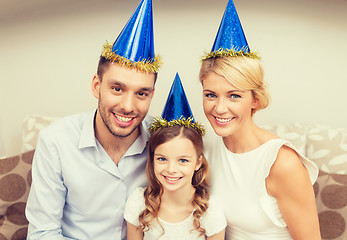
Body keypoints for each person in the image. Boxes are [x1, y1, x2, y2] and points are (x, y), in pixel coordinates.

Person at [25, 0, 161, 239]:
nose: (128, 106)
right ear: (96, 86)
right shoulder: (56, 141)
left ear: (151, 95)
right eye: (117, 89)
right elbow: (42, 233)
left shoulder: (164, 141)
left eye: (141, 93)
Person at [199, 1, 321, 239]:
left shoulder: (282, 163)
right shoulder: (206, 147)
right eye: (210, 95)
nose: (219, 108)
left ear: (255, 99)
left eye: (234, 95)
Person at [124, 74, 226, 240]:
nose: (171, 170)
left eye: (183, 160)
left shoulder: (209, 211)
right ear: (152, 158)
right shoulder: (139, 203)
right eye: (162, 159)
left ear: (198, 162)